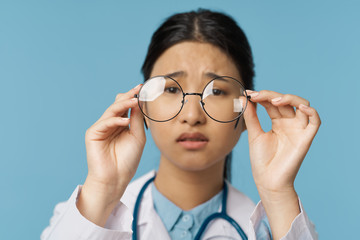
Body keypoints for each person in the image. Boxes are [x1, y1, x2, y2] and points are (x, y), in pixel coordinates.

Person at [41, 9, 320, 240]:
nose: (192, 115)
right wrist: (103, 187)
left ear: (247, 108)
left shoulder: (274, 227)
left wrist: (278, 192)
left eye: (217, 91)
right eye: (171, 89)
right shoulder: (86, 214)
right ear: (142, 104)